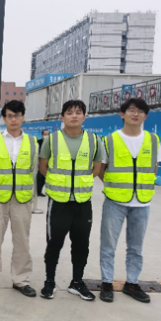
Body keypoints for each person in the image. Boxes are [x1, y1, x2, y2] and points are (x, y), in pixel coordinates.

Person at [99, 98, 161, 303]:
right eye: (131, 110)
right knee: (108, 245)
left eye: (140, 111)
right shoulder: (109, 140)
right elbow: (101, 169)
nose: (136, 114)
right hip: (115, 201)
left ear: (146, 116)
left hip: (142, 203)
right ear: (122, 114)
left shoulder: (153, 140)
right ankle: (106, 283)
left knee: (136, 247)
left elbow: (154, 167)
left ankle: (132, 283)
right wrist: (114, 185)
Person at [39, 100, 102, 301]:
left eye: (78, 112)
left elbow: (96, 169)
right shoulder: (52, 140)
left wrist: (79, 183)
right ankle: (49, 281)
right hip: (58, 202)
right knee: (54, 243)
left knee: (81, 243)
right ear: (62, 117)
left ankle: (77, 282)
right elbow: (43, 167)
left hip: (83, 202)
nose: (74, 116)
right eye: (69, 112)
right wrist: (60, 183)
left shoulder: (94, 140)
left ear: (84, 116)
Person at [0, 100, 37, 297]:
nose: (14, 119)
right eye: (10, 116)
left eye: (17, 115)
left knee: (22, 240)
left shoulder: (32, 142)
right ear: (4, 118)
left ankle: (21, 280)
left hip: (22, 199)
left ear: (23, 117)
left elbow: (33, 170)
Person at [36, 130, 49, 196]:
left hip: (48, 162)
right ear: (42, 135)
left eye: (47, 134)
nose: (46, 136)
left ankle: (40, 191)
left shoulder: (51, 143)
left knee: (45, 178)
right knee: (39, 178)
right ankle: (37, 191)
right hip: (39, 161)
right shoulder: (38, 142)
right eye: (45, 134)